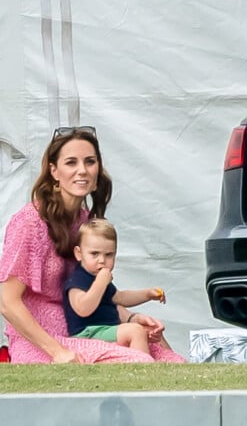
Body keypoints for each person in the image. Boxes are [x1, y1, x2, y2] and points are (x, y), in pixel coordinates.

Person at [0, 126, 186, 363]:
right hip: (43, 342)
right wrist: (57, 351)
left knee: (173, 361)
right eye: (71, 163)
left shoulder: (86, 222)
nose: (82, 170)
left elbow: (97, 292)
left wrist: (130, 319)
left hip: (88, 330)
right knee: (138, 362)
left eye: (90, 161)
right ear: (54, 171)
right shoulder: (30, 222)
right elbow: (8, 303)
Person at [64, 218, 167, 354]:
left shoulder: (100, 278)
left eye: (109, 255)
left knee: (146, 329)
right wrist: (100, 282)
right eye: (94, 254)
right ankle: (143, 368)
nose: (102, 260)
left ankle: (173, 365)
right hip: (87, 334)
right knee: (135, 331)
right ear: (79, 254)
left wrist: (147, 294)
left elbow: (121, 297)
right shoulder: (77, 279)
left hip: (106, 329)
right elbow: (83, 308)